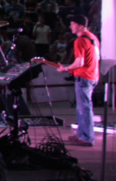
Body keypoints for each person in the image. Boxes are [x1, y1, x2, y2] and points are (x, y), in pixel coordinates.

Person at [33, 14, 100, 146]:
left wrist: (66, 69)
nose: (70, 26)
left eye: (72, 24)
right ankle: (82, 134)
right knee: (83, 107)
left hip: (84, 77)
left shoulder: (80, 41)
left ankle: (86, 137)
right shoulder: (93, 38)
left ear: (80, 25)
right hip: (92, 76)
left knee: (84, 108)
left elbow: (79, 62)